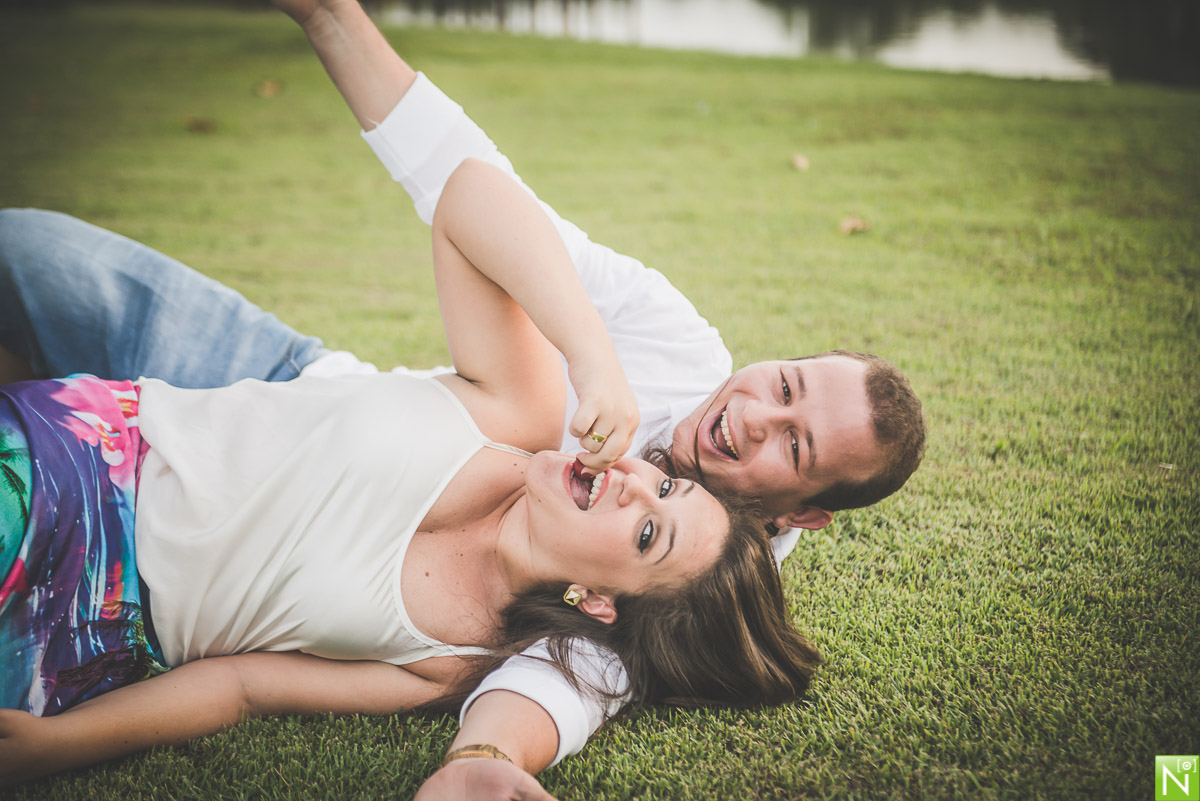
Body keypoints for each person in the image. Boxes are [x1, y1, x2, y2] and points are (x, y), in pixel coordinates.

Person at [0, 0, 925, 795]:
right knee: (28, 254)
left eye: (794, 446)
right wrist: (591, 358)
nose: (758, 414)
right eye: (788, 384)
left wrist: (481, 754)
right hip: (282, 405)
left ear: (803, 509)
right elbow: (476, 192)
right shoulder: (616, 379)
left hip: (109, 604)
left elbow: (554, 689)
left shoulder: (668, 591)